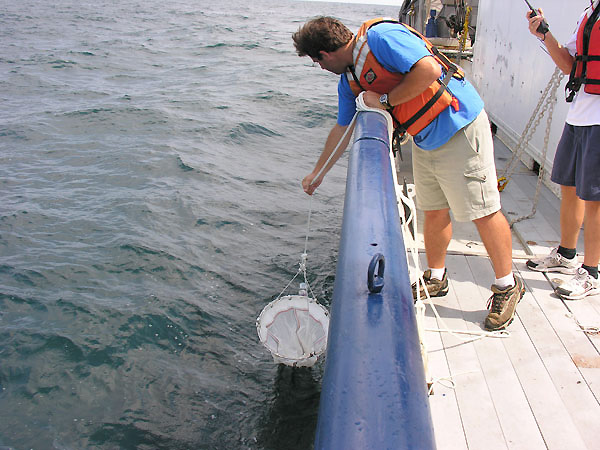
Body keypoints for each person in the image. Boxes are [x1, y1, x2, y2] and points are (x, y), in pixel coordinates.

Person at [292, 16, 524, 330]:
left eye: (315, 61)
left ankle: (507, 285)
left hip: (459, 125)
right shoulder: (349, 82)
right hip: (425, 138)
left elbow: (429, 69)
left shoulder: (381, 37)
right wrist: (317, 173)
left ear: (325, 54)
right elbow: (342, 127)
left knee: (482, 210)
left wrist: (385, 100)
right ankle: (437, 277)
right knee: (433, 210)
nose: (319, 67)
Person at [525, 2, 600, 300]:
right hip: (579, 114)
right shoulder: (589, 12)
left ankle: (592, 272)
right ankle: (566, 255)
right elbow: (570, 64)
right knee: (568, 186)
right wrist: (543, 34)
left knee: (595, 197)